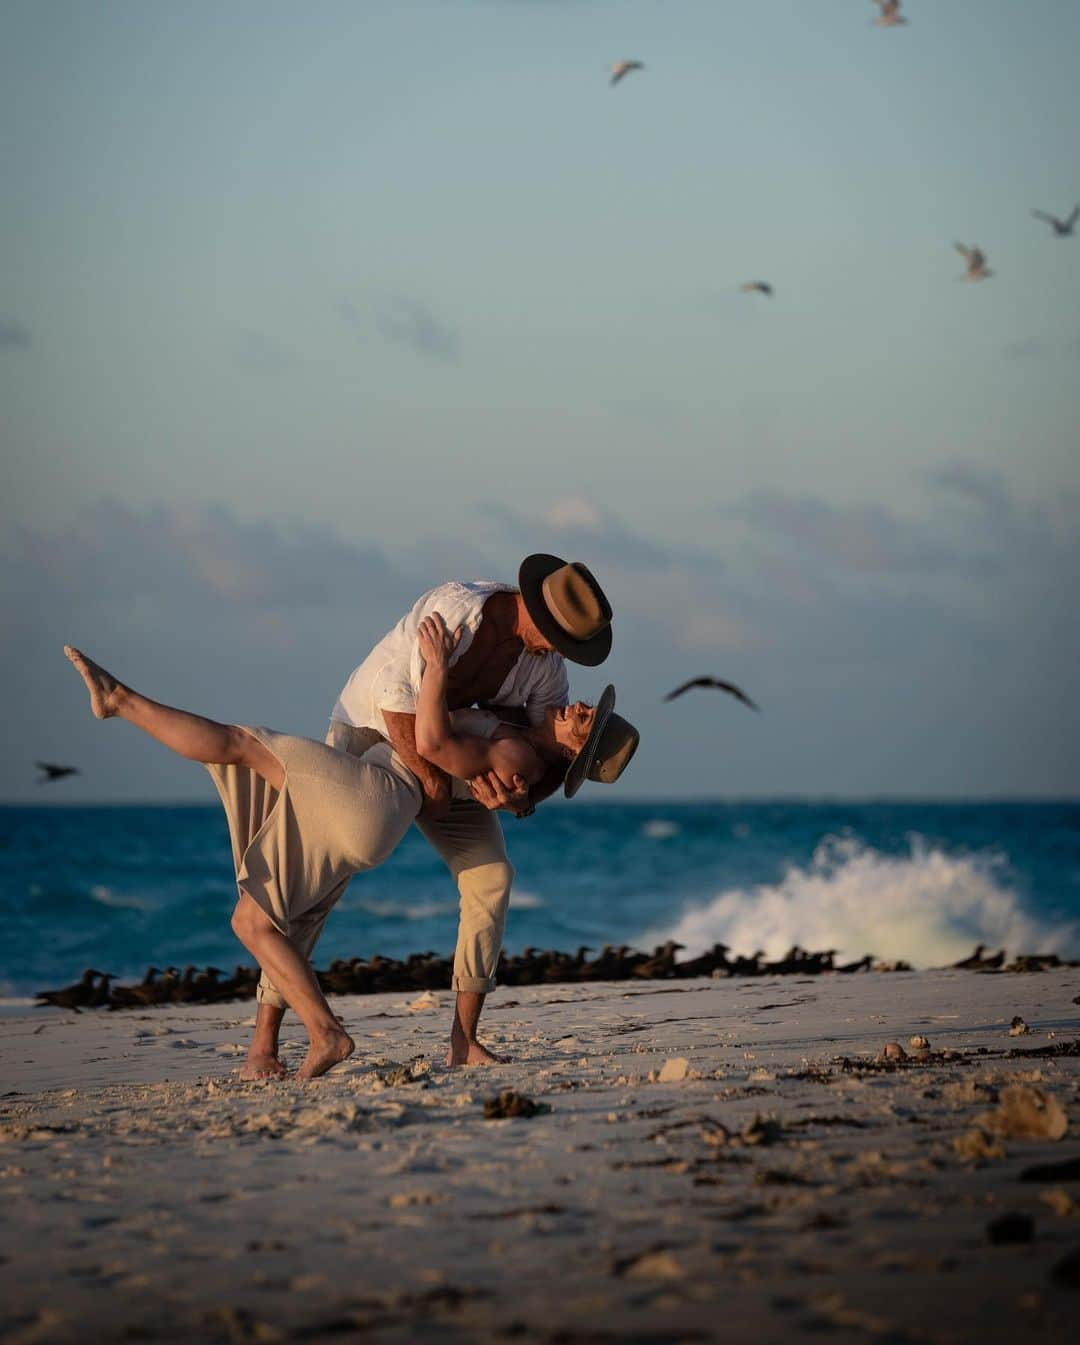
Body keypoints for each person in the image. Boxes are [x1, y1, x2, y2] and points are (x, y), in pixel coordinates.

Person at [62, 631, 639, 1079]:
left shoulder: (519, 749)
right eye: (589, 708)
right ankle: (451, 1043)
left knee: (240, 749)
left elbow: (435, 744)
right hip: (386, 801)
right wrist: (517, 797)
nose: (579, 707)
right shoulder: (529, 724)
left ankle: (120, 701)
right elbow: (481, 771)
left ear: (575, 754)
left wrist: (435, 667)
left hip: (377, 796)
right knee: (487, 879)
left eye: (585, 722)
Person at [249, 554, 619, 1076]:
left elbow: (552, 752)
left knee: (492, 877)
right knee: (321, 883)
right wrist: (433, 783)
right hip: (372, 728)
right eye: (565, 641)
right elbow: (394, 700)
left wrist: (519, 799)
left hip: (452, 762)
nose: (565, 657)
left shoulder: (545, 666)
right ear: (540, 613)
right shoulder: (457, 611)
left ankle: (463, 1041)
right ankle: (264, 1044)